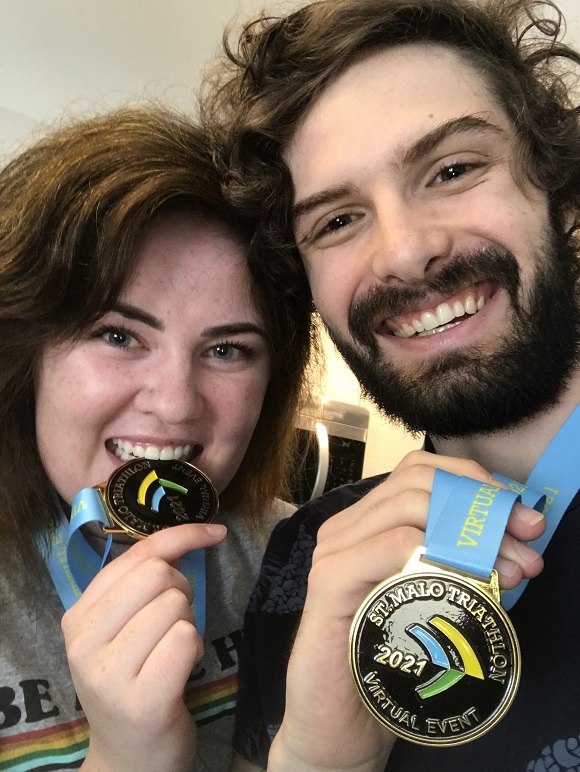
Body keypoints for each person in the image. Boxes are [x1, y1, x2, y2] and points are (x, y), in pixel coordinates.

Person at [202, 0, 580, 769]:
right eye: (337, 221)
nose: (406, 253)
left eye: (452, 169)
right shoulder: (304, 556)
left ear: (562, 195)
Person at [0, 105, 315, 771]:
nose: (174, 406)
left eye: (228, 350)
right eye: (118, 336)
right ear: (25, 350)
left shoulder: (301, 562)